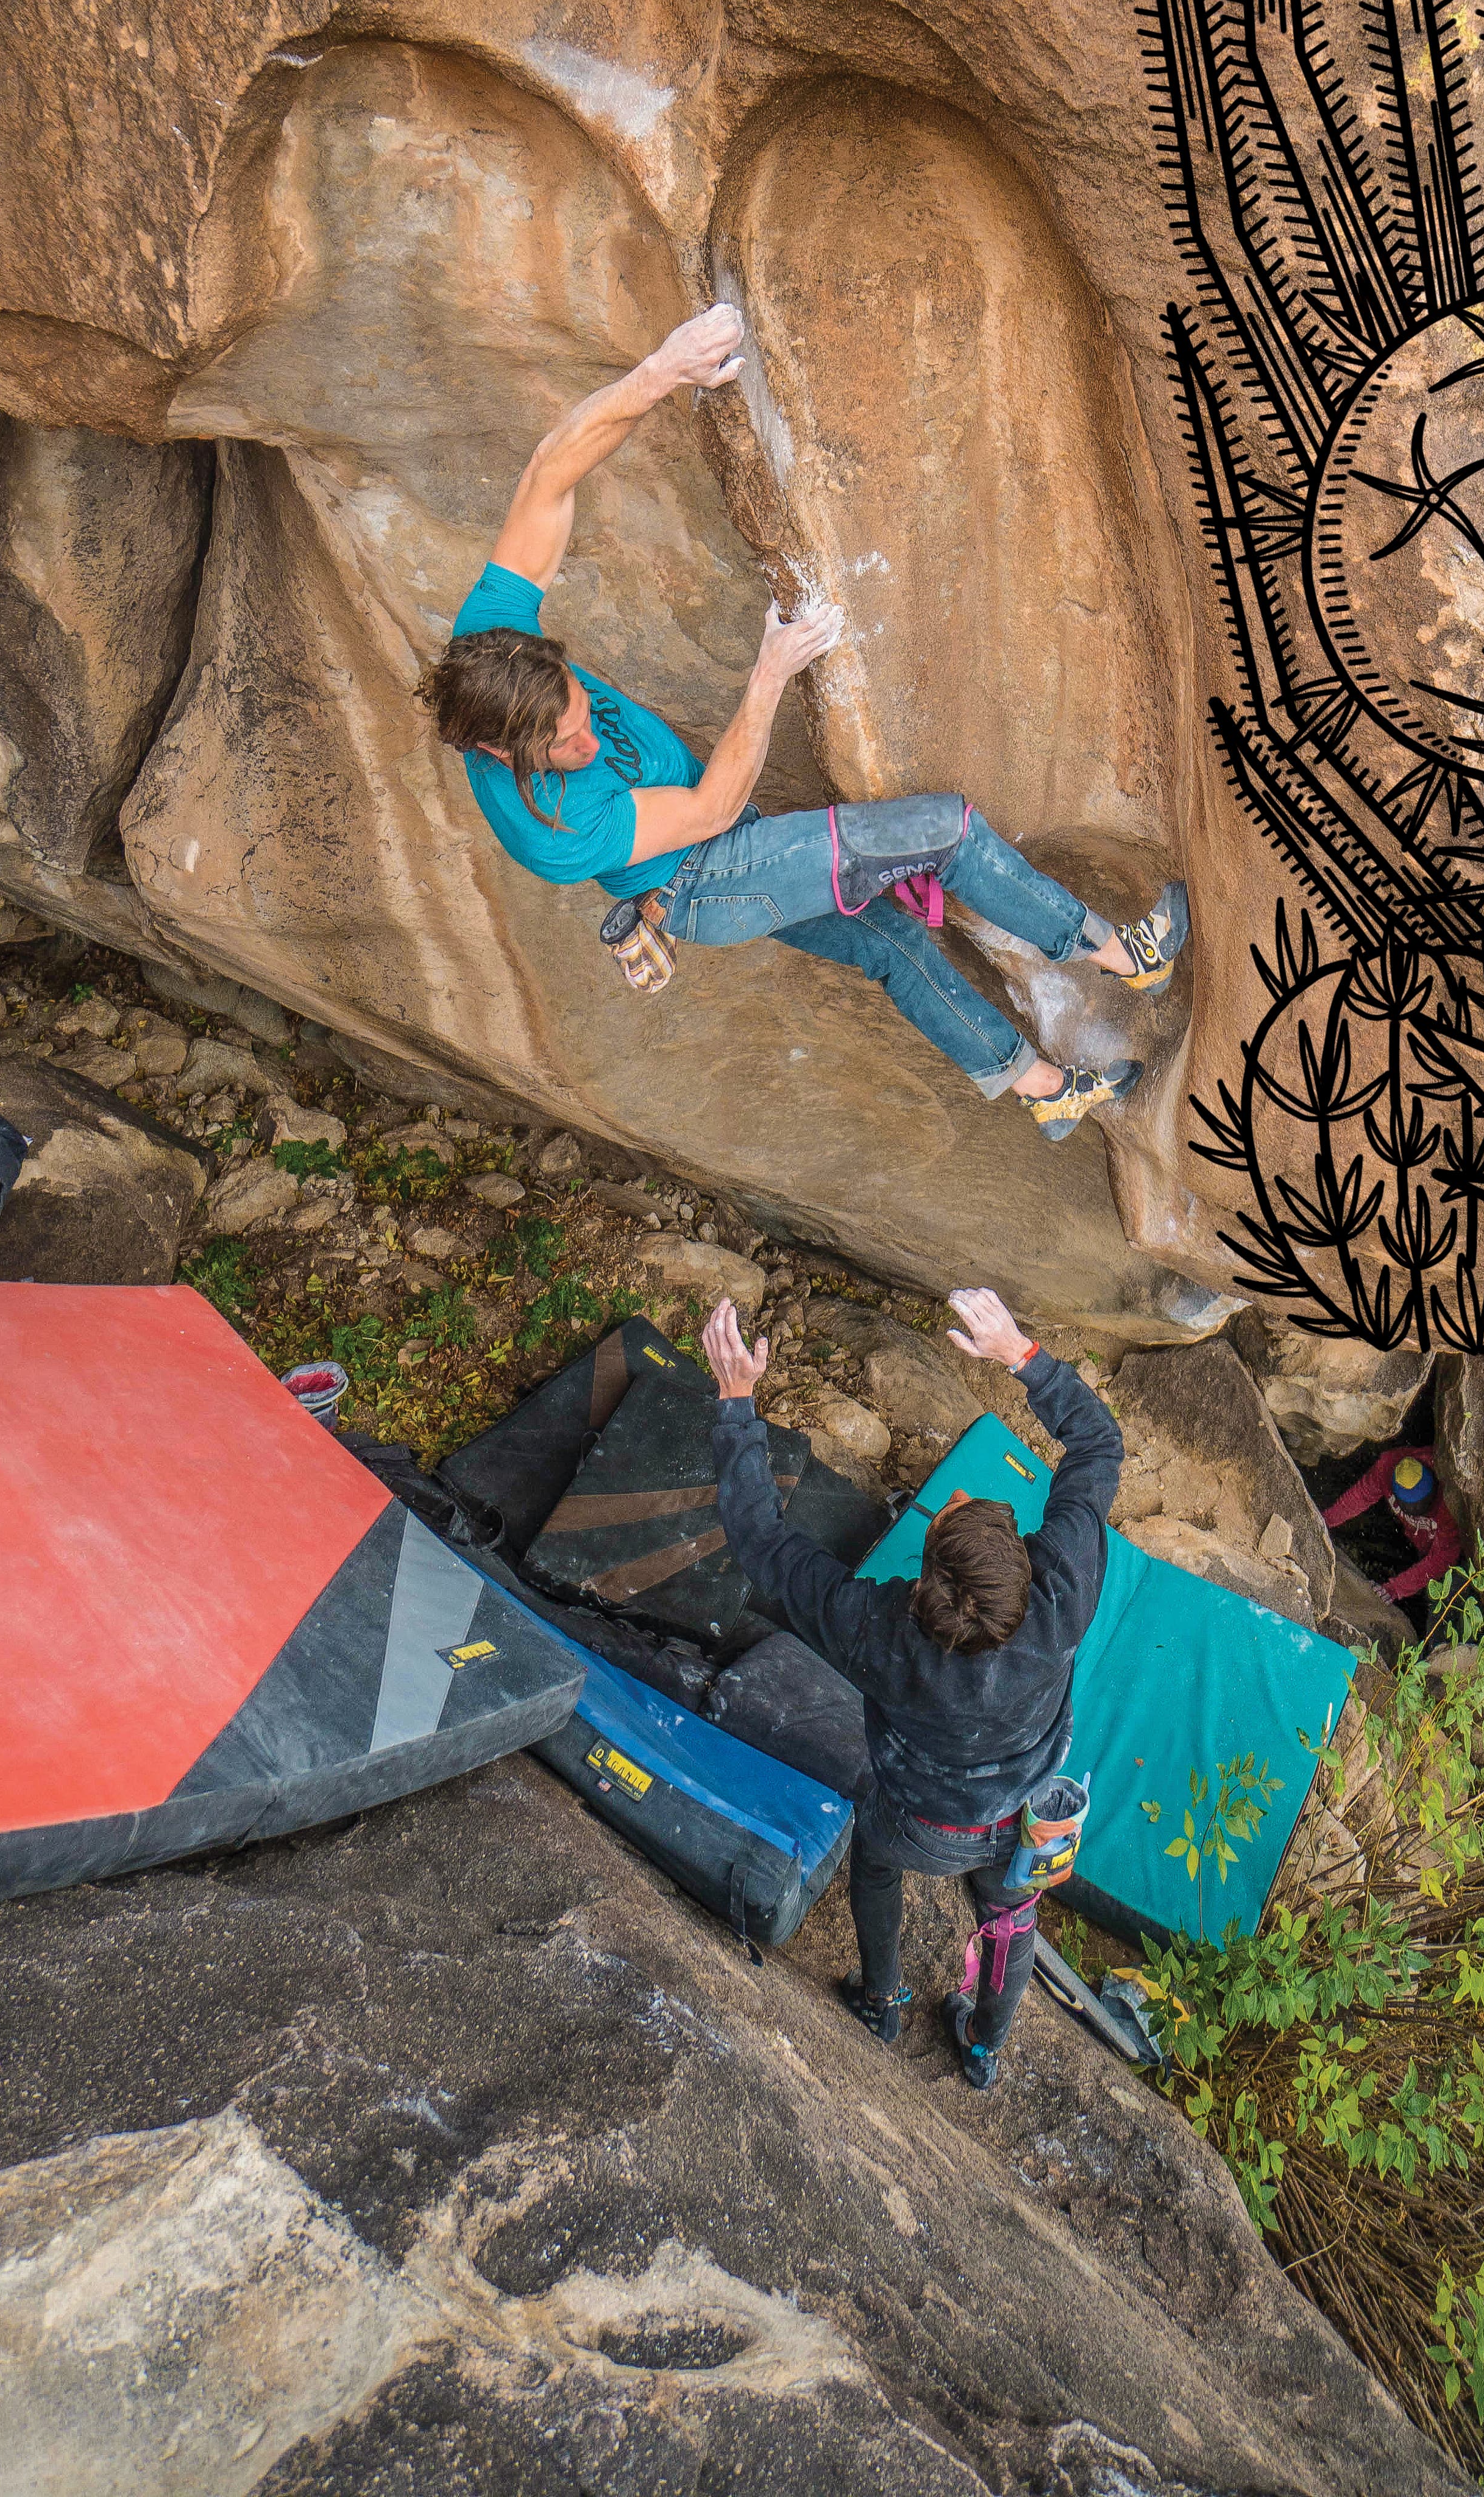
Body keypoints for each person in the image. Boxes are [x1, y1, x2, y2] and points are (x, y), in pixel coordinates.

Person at [414, 305, 1187, 1139]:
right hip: (705, 880)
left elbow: (548, 475)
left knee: (894, 945)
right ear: (499, 749)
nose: (589, 739)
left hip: (715, 850)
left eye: (578, 709)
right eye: (565, 746)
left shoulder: (491, 642)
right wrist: (769, 673)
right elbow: (709, 813)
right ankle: (1122, 955)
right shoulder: (550, 828)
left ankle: (1046, 1091)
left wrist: (663, 371)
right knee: (946, 833)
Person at [701, 1286, 1119, 2091]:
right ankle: (984, 2047)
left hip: (920, 1820)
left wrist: (735, 1403)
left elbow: (761, 1544)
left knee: (876, 1864)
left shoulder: (877, 1631)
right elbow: (1097, 1445)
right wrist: (1020, 1355)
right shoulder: (1062, 1590)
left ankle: (880, 1995)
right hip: (1027, 1810)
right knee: (1011, 1915)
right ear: (1025, 1557)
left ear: (923, 1578)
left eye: (950, 1513)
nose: (954, 1498)